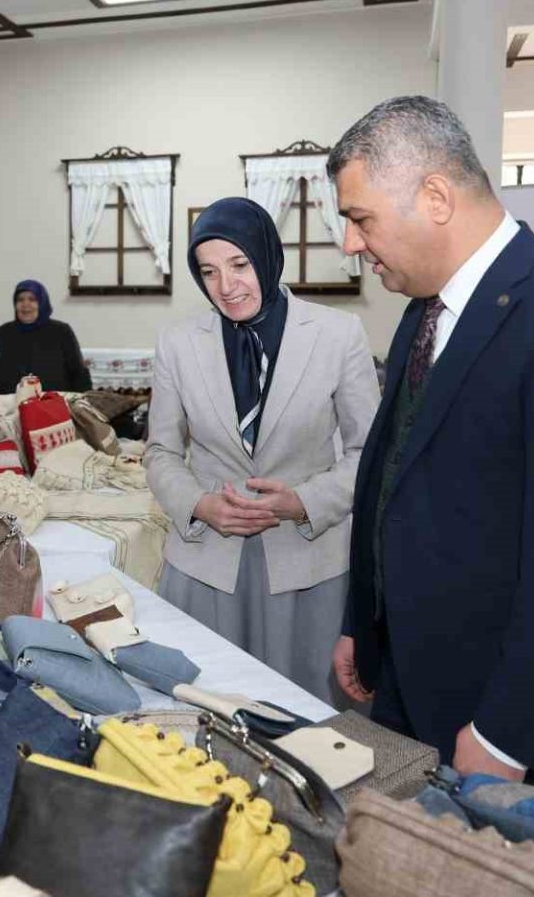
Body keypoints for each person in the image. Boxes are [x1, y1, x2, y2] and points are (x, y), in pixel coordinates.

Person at [327, 97, 534, 794]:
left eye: (360, 218)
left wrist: (508, 730)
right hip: (414, 680)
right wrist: (364, 620)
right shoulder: (425, 310)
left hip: (504, 713)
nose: (350, 243)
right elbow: (394, 478)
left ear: (435, 197)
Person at [145, 197, 379, 705]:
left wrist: (304, 502)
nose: (226, 287)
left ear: (268, 257)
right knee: (206, 710)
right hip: (207, 564)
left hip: (307, 565)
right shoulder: (178, 343)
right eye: (208, 272)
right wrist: (199, 505)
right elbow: (160, 451)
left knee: (307, 716)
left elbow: (370, 452)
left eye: (239, 265)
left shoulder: (338, 335)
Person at [0, 279, 92, 394]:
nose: (25, 304)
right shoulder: (3, 334)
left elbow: (79, 374)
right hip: (11, 402)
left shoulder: (61, 332)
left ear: (42, 303)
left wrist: (85, 399)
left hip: (54, 402)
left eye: (32, 299)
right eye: (20, 300)